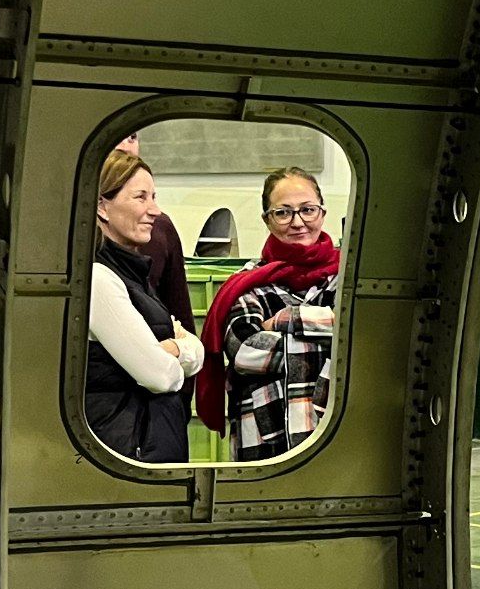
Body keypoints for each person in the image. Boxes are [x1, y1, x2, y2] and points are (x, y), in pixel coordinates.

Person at [202, 168, 342, 461]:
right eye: (283, 213)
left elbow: (365, 330)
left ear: (322, 213)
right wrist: (331, 341)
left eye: (308, 210)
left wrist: (285, 320)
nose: (298, 222)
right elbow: (245, 350)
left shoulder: (347, 278)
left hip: (336, 442)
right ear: (267, 219)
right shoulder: (247, 283)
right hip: (265, 443)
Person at [87, 151, 205, 463]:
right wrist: (178, 352)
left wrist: (176, 349)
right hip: (128, 452)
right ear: (101, 206)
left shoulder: (133, 275)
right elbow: (159, 376)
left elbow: (197, 349)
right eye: (141, 197)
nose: (155, 210)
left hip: (150, 445)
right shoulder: (99, 279)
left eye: (154, 197)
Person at [112, 135, 196, 331]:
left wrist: (181, 345)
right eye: (140, 197)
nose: (126, 147)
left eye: (132, 137)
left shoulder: (161, 229)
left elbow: (180, 316)